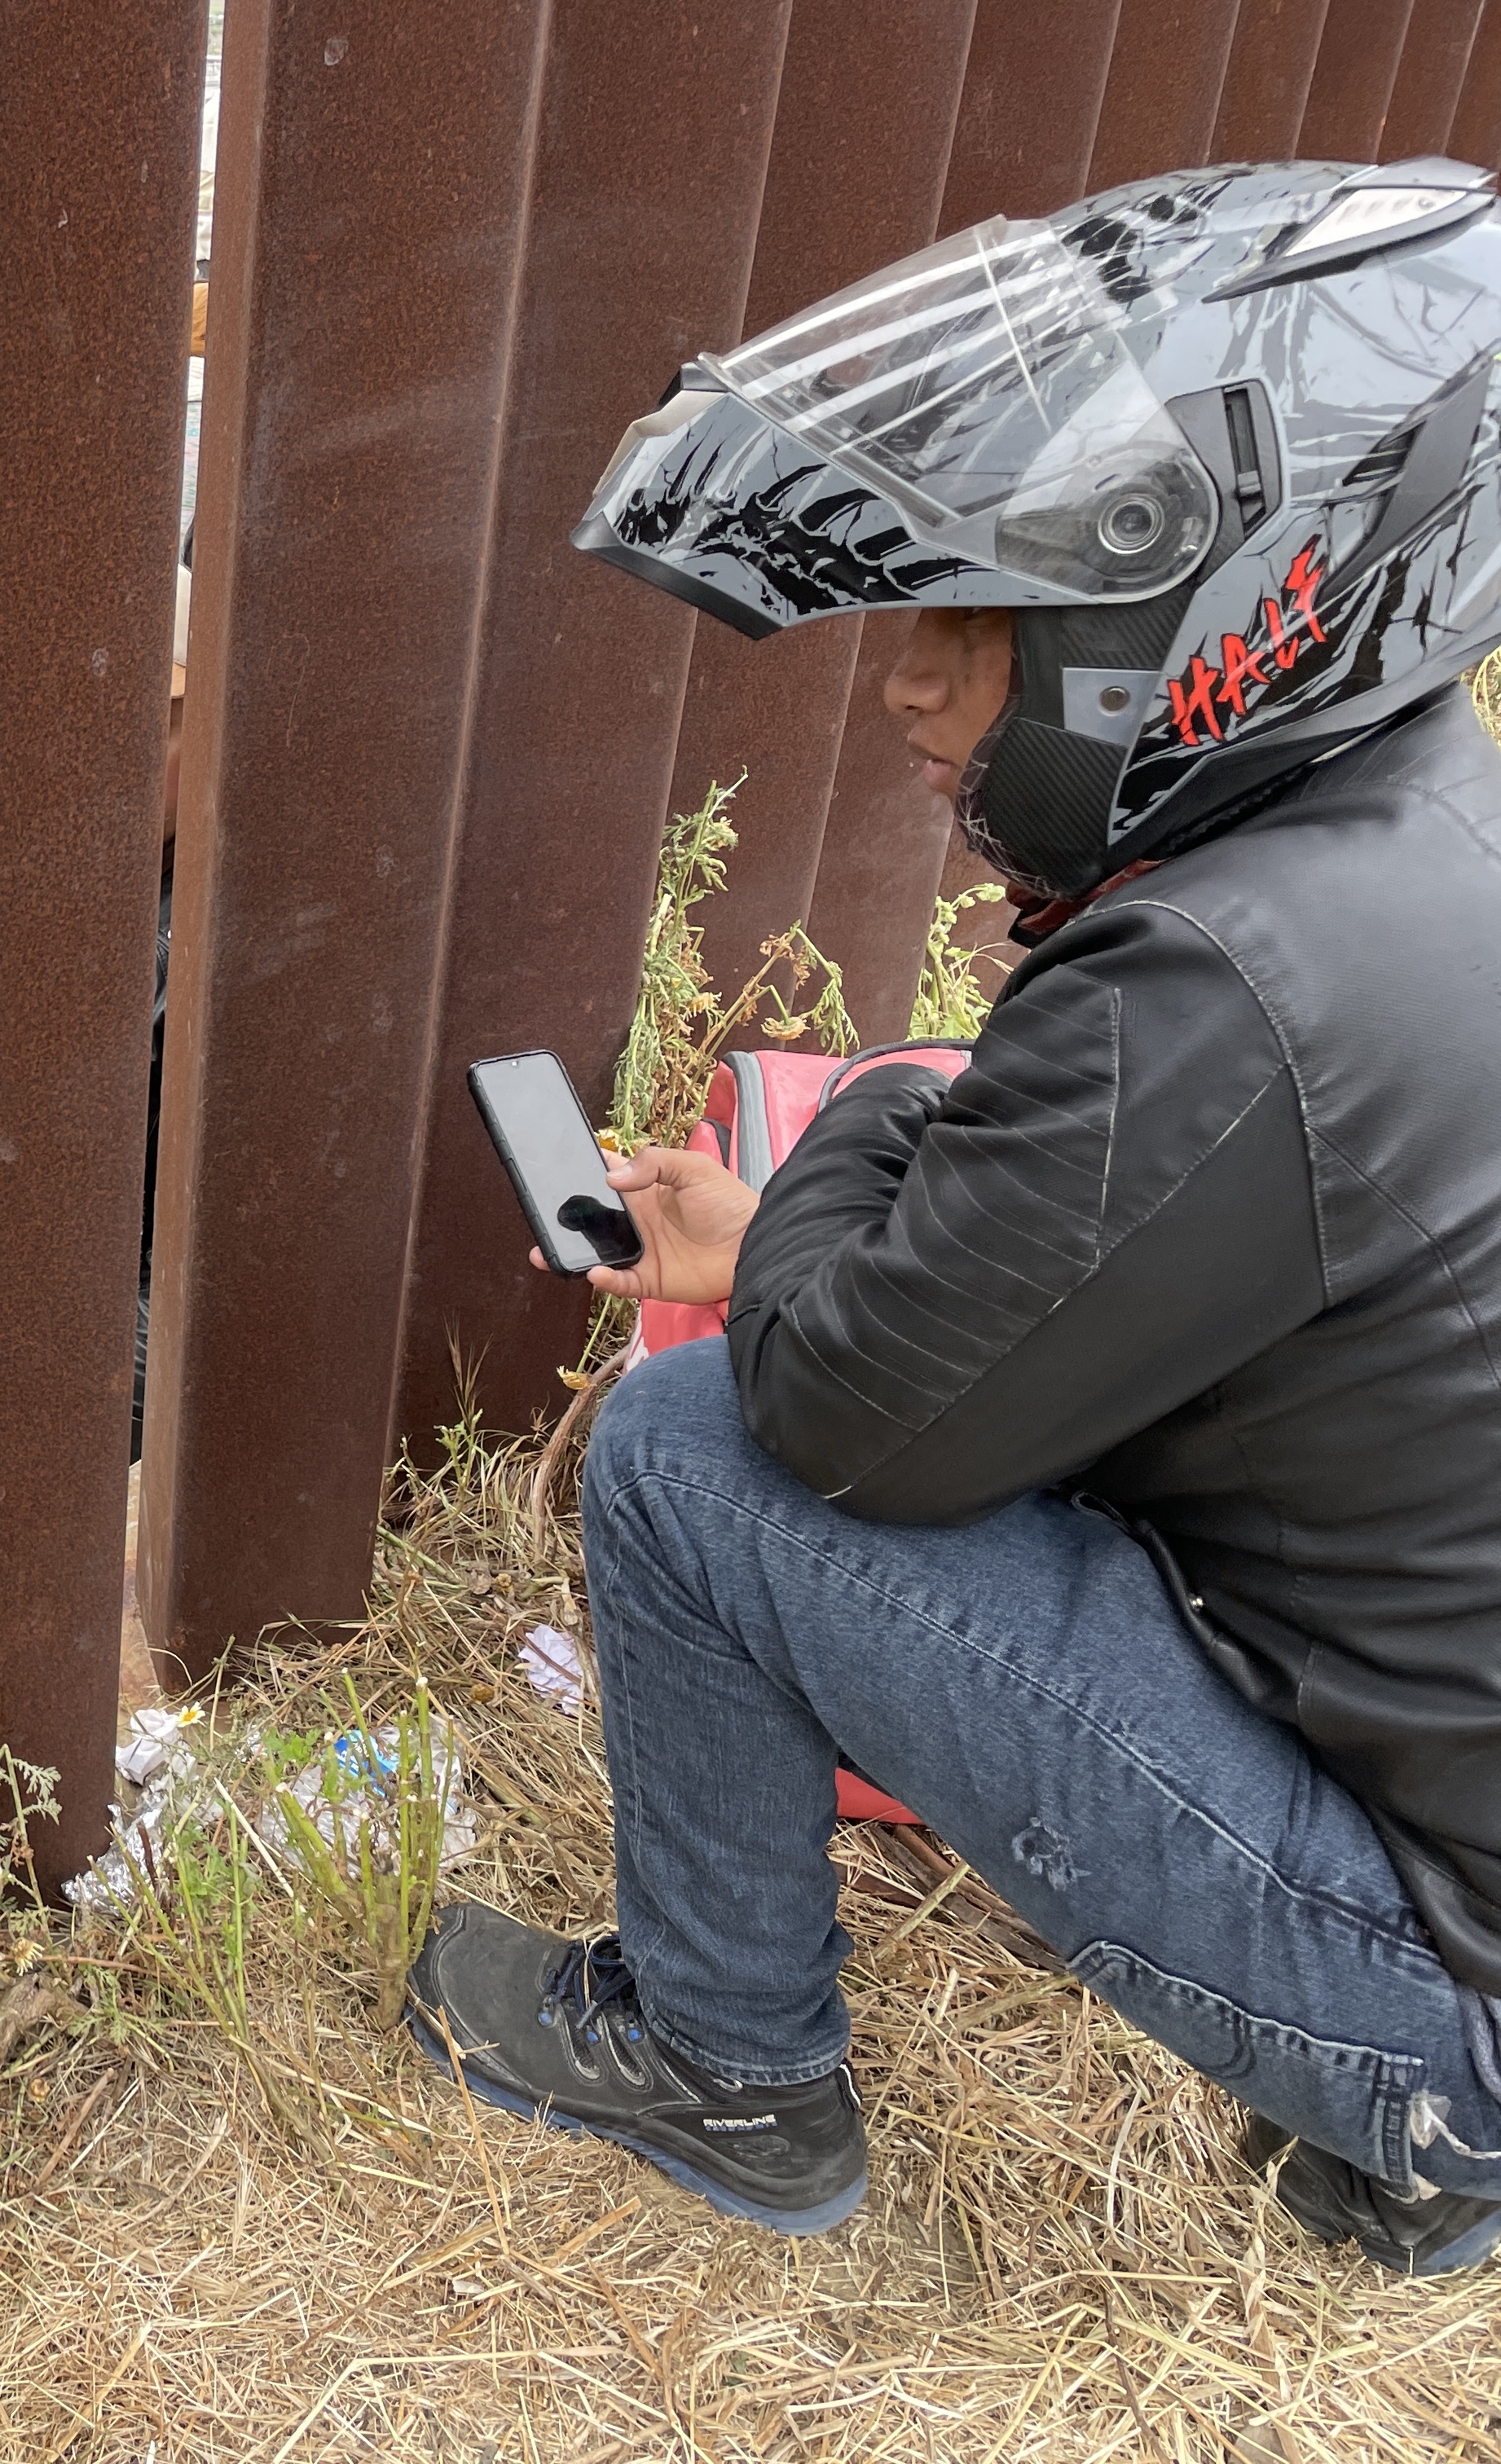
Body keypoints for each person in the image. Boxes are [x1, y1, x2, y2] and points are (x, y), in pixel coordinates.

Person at [405, 161, 1501, 2278]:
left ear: (1204, 636)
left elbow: (835, 1418)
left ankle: (726, 2067)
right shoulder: (1402, 818)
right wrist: (875, 1167)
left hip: (1443, 1989)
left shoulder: (1214, 992)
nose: (906, 691)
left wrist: (868, 1129)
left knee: (683, 1453)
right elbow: (1062, 1247)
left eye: (982, 625)